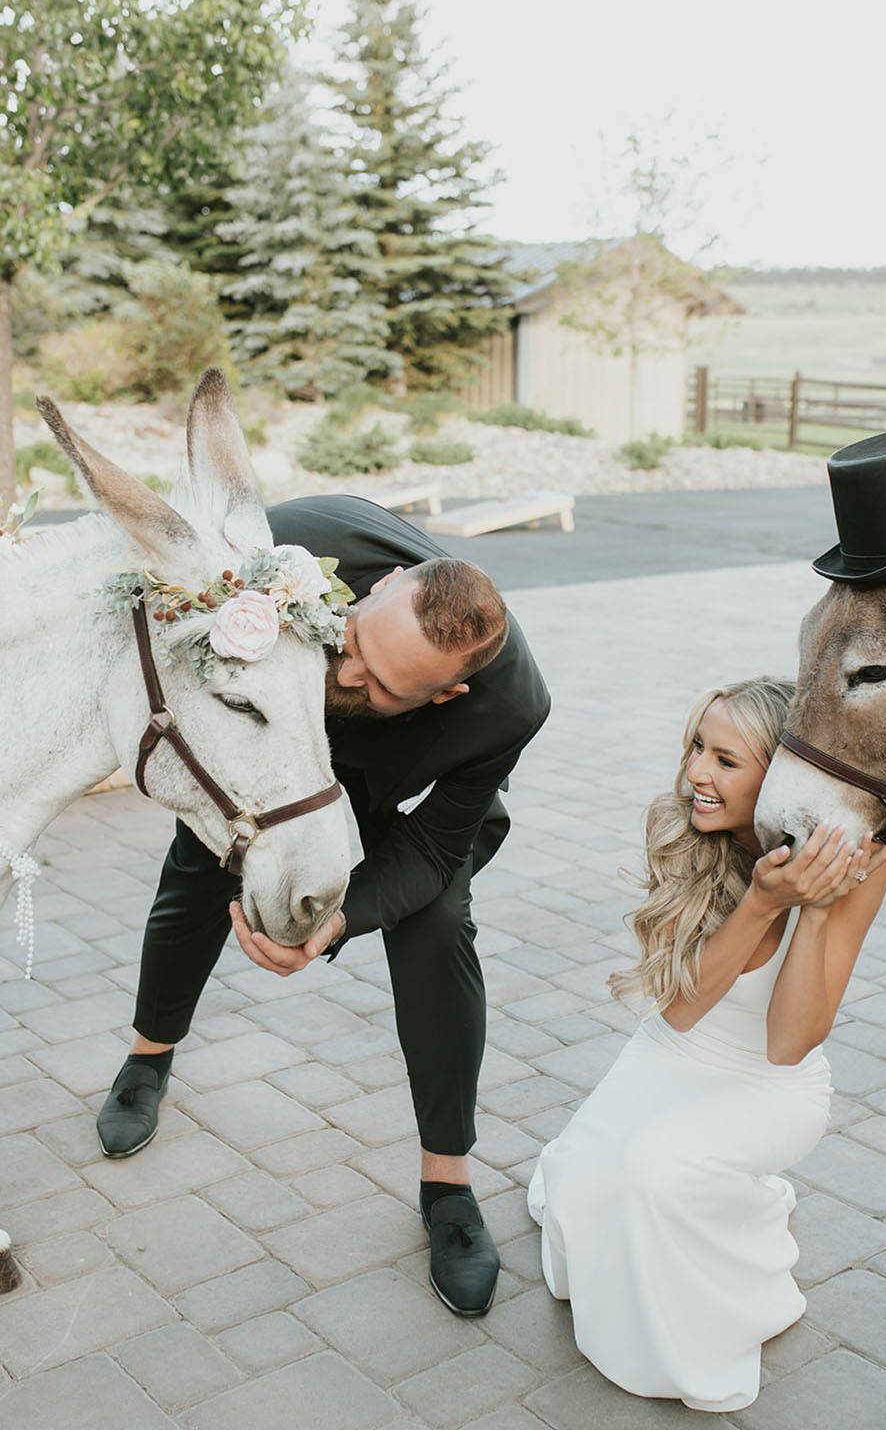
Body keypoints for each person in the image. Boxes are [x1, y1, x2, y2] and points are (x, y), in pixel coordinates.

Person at [96, 494, 550, 1318]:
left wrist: (335, 921)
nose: (347, 675)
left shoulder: (510, 708)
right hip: (282, 770)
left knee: (441, 926)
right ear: (384, 588)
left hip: (403, 810)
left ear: (446, 694)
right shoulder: (310, 538)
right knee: (199, 870)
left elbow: (438, 846)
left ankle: (447, 1182)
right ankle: (146, 1056)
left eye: (380, 686)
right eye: (350, 646)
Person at [528, 676, 886, 1412]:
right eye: (697, 746)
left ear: (777, 778)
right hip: (675, 1049)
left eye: (725, 760)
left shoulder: (850, 864)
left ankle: (719, 1310)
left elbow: (789, 1043)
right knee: (574, 1191)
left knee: (651, 1173)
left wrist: (814, 912)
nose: (696, 771)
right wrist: (764, 901)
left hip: (770, 1086)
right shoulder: (679, 826)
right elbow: (680, 1010)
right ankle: (730, 1209)